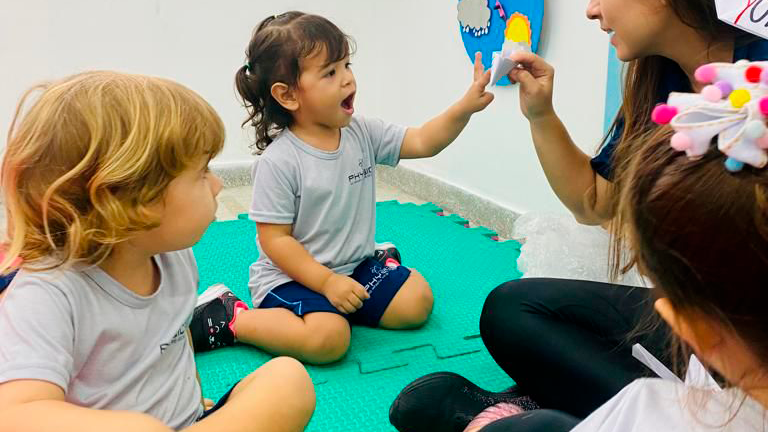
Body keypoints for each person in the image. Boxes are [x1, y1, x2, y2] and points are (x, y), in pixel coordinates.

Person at [389, 1, 768, 431]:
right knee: (512, 308)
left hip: (743, 337)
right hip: (708, 329)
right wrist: (540, 114)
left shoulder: (757, 75)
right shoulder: (663, 77)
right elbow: (596, 203)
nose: (591, 10)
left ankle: (551, 406)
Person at [0, 71, 315, 432]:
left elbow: (171, 339)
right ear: (136, 201)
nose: (217, 185)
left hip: (186, 420)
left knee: (290, 381)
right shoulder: (47, 293)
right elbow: (14, 414)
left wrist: (189, 397)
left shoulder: (173, 256)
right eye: (202, 172)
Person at [191, 11, 495, 364]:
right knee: (330, 340)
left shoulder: (361, 132)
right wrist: (326, 283)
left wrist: (466, 107)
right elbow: (275, 241)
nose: (347, 80)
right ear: (288, 96)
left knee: (417, 303)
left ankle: (368, 269)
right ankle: (231, 318)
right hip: (293, 277)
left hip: (354, 265)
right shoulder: (279, 162)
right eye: (330, 73)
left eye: (346, 65)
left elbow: (423, 141)